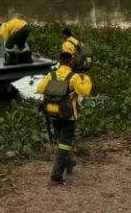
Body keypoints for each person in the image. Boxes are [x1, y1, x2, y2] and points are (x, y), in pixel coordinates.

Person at [36, 52, 93, 184]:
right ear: (71, 62)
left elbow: (39, 89)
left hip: (53, 113)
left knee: (61, 142)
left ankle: (70, 163)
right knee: (64, 146)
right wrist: (86, 79)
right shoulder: (74, 77)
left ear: (59, 62)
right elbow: (85, 92)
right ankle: (56, 177)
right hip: (68, 116)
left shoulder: (51, 75)